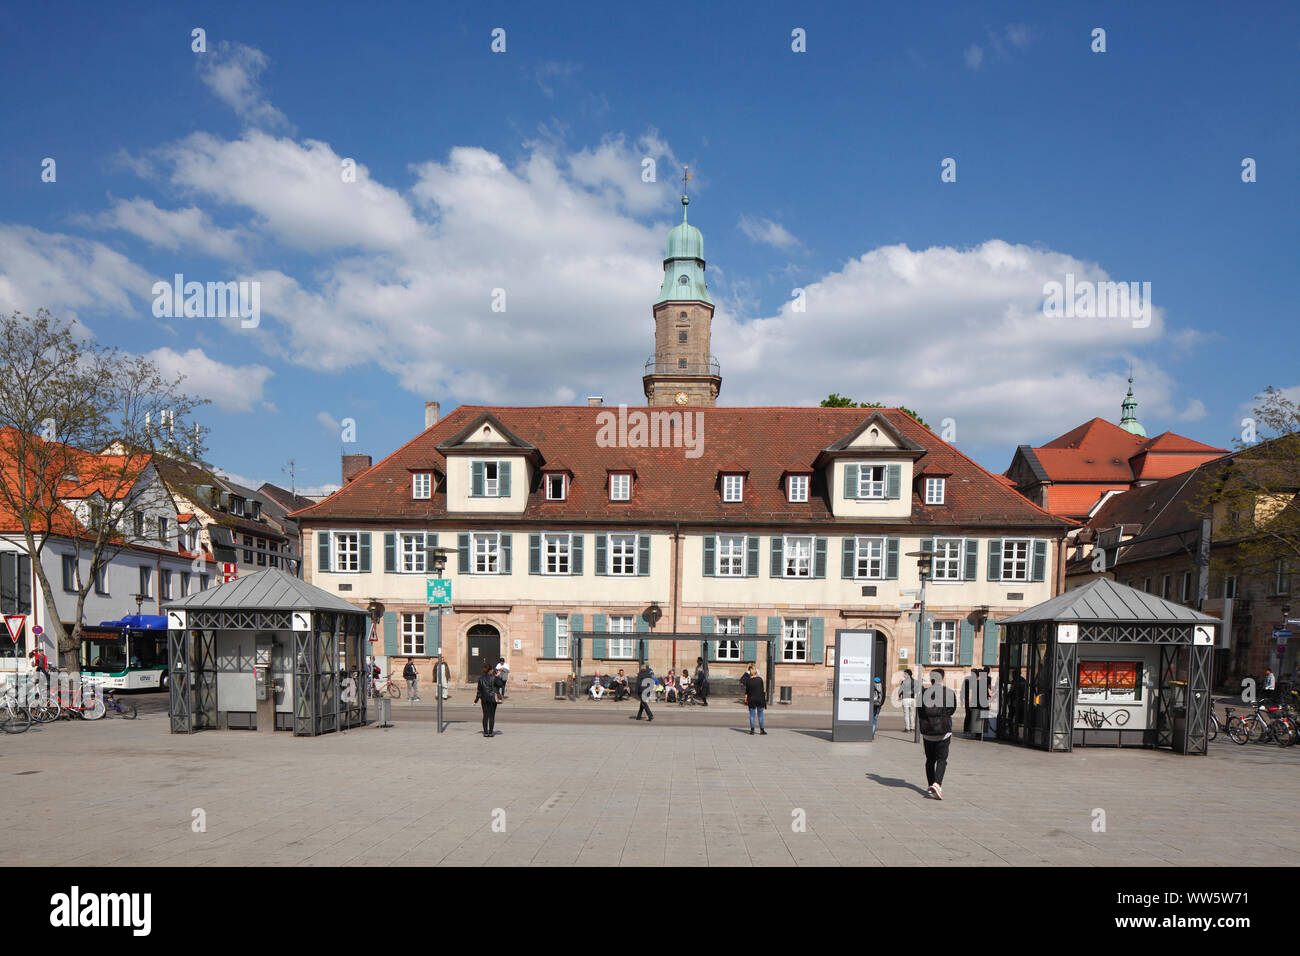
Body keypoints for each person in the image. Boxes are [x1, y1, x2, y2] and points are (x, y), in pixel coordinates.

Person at [918, 669, 957, 800]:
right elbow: (952, 710)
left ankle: (931, 785)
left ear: (931, 678)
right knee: (941, 760)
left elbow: (920, 712)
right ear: (942, 678)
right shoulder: (949, 693)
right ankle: (937, 784)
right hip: (943, 732)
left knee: (930, 760)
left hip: (927, 732)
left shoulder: (922, 693)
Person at [474, 663, 498, 737]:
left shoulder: (480, 679)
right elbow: (500, 684)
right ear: (491, 670)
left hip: (484, 699)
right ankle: (490, 732)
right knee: (492, 716)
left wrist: (476, 700)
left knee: (485, 715)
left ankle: (485, 732)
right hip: (492, 699)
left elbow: (479, 691)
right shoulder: (493, 678)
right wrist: (497, 676)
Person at [962, 667, 987, 739]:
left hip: (974, 702)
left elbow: (970, 693)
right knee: (977, 716)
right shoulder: (983, 682)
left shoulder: (973, 682)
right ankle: (978, 733)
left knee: (973, 716)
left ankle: (974, 732)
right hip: (978, 702)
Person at [746, 666, 767, 735]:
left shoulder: (748, 681)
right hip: (760, 699)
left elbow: (747, 691)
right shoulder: (760, 679)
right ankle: (762, 730)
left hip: (751, 699)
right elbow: (762, 690)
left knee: (752, 715)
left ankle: (752, 730)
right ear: (756, 672)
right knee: (760, 715)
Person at [898, 668, 916, 733]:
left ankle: (907, 728)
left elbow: (900, 690)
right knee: (912, 714)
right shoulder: (915, 681)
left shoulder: (904, 682)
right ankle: (912, 728)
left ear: (908, 674)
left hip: (905, 699)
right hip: (912, 699)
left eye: (905, 674)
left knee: (906, 714)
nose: (904, 675)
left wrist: (899, 696)